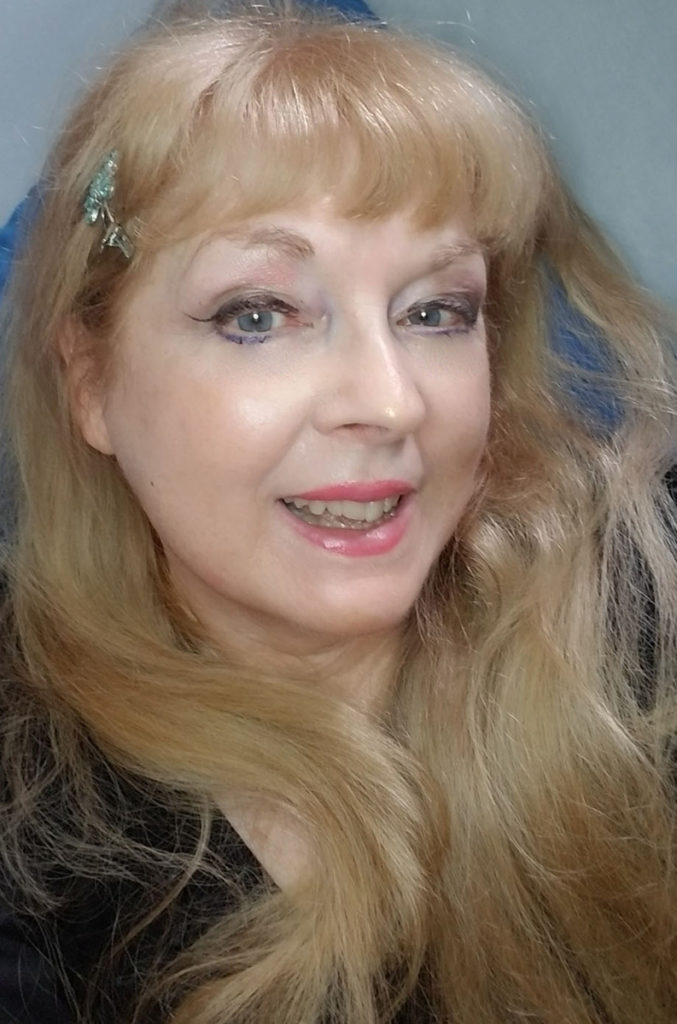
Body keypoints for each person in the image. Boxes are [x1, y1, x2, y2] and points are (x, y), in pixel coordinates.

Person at [0, 2, 675, 1022]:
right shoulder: (33, 816)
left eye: (434, 311)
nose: (393, 403)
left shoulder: (630, 607)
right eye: (257, 314)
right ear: (90, 380)